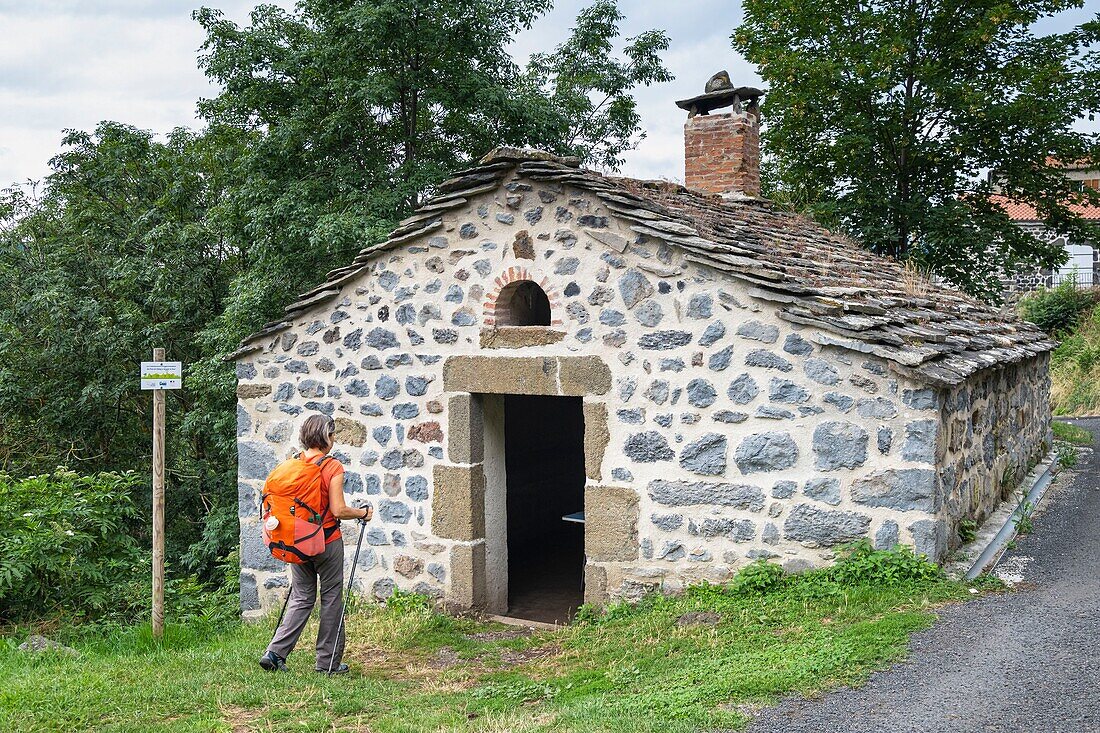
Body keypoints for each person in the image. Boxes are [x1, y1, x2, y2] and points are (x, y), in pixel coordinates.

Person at [259, 414, 372, 675]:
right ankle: (327, 664)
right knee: (331, 598)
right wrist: (362, 513)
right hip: (326, 542)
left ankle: (275, 653)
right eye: (333, 436)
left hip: (296, 542)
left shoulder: (293, 464)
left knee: (301, 596)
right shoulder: (332, 467)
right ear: (326, 437)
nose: (334, 440)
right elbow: (338, 509)